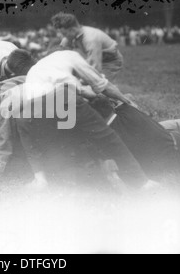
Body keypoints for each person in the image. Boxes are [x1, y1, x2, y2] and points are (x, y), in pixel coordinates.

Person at [12, 50, 158, 191]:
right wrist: (125, 100)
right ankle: (141, 182)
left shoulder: (39, 69)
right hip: (61, 99)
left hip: (29, 113)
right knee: (107, 137)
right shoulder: (73, 56)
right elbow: (102, 86)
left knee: (51, 144)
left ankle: (41, 179)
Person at [89, 97, 180, 179]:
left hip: (154, 171)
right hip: (177, 150)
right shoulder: (128, 111)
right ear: (111, 106)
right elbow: (124, 100)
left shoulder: (102, 135)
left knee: (167, 129)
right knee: (179, 125)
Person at [51, 12, 124, 81]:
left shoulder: (90, 38)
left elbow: (95, 68)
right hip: (94, 59)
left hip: (110, 62)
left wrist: (81, 81)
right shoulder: (70, 36)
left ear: (72, 30)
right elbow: (60, 55)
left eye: (64, 34)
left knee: (99, 89)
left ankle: (124, 95)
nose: (64, 37)